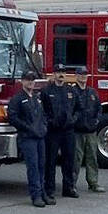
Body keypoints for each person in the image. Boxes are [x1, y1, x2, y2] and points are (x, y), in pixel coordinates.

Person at [7, 69, 49, 207]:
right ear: (22, 81)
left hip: (40, 137)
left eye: (33, 79)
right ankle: (35, 195)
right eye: (28, 79)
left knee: (42, 166)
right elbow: (12, 118)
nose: (31, 82)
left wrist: (43, 127)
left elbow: (43, 115)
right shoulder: (17, 99)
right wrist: (27, 128)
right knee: (33, 167)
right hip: (27, 138)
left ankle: (43, 193)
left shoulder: (37, 97)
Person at [41, 70, 80, 200]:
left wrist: (73, 120)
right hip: (53, 131)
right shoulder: (47, 91)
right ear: (54, 74)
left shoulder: (71, 91)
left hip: (68, 131)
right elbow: (43, 111)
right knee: (50, 161)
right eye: (58, 72)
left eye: (63, 72)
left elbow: (78, 109)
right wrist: (50, 122)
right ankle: (49, 189)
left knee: (69, 160)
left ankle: (68, 188)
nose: (61, 75)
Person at [68, 72, 107, 193]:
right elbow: (69, 110)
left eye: (85, 74)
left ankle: (93, 182)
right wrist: (74, 122)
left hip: (91, 131)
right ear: (76, 76)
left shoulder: (92, 92)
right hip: (77, 131)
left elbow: (99, 109)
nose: (83, 77)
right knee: (76, 159)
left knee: (92, 158)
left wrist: (97, 121)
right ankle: (72, 184)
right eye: (81, 74)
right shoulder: (72, 92)